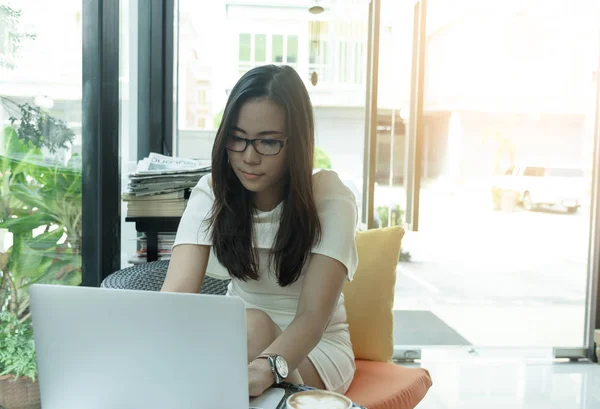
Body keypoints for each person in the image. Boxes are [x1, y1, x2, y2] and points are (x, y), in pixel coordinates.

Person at [161, 64, 358, 397]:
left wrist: (265, 368)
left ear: (296, 144)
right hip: (236, 338)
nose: (248, 157)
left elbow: (313, 317)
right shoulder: (212, 191)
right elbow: (176, 296)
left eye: (267, 143)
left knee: (248, 326)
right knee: (240, 328)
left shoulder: (331, 197)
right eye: (237, 139)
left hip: (314, 350)